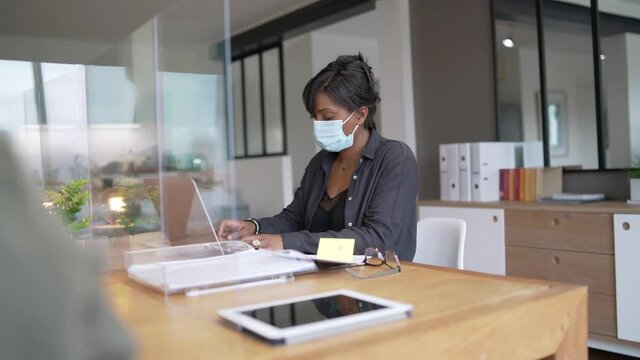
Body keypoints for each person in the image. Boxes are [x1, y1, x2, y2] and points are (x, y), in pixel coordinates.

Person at [218, 54, 418, 261]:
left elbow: (378, 240)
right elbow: (294, 218)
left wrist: (288, 242)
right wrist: (253, 226)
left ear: (360, 115)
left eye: (328, 117)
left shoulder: (395, 158)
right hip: (326, 276)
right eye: (315, 117)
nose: (318, 124)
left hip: (378, 280)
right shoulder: (321, 162)